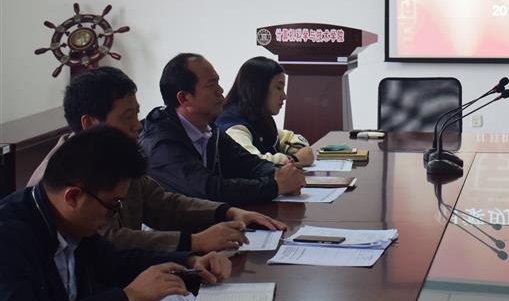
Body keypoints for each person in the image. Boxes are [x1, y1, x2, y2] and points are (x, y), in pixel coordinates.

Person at [0, 126, 231, 301]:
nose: (115, 213)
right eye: (114, 204)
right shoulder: (9, 236)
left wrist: (190, 263)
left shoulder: (70, 221)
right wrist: (127, 298)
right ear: (73, 197)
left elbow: (115, 263)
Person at [27, 67, 285, 253]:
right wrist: (192, 243)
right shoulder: (61, 177)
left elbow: (161, 203)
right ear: (90, 123)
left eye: (136, 114)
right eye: (127, 116)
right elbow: (107, 240)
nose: (137, 126)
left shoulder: (117, 156)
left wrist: (226, 212)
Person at [140, 53, 306, 205]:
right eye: (211, 85)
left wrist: (280, 174)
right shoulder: (162, 143)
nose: (220, 90)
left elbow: (248, 164)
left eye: (218, 82)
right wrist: (275, 186)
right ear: (184, 98)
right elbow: (209, 190)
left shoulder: (209, 130)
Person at [216, 57, 314, 166]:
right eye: (278, 88)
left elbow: (288, 137)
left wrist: (297, 148)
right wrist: (294, 159)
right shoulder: (233, 125)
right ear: (258, 88)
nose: (284, 96)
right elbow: (251, 163)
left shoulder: (258, 118)